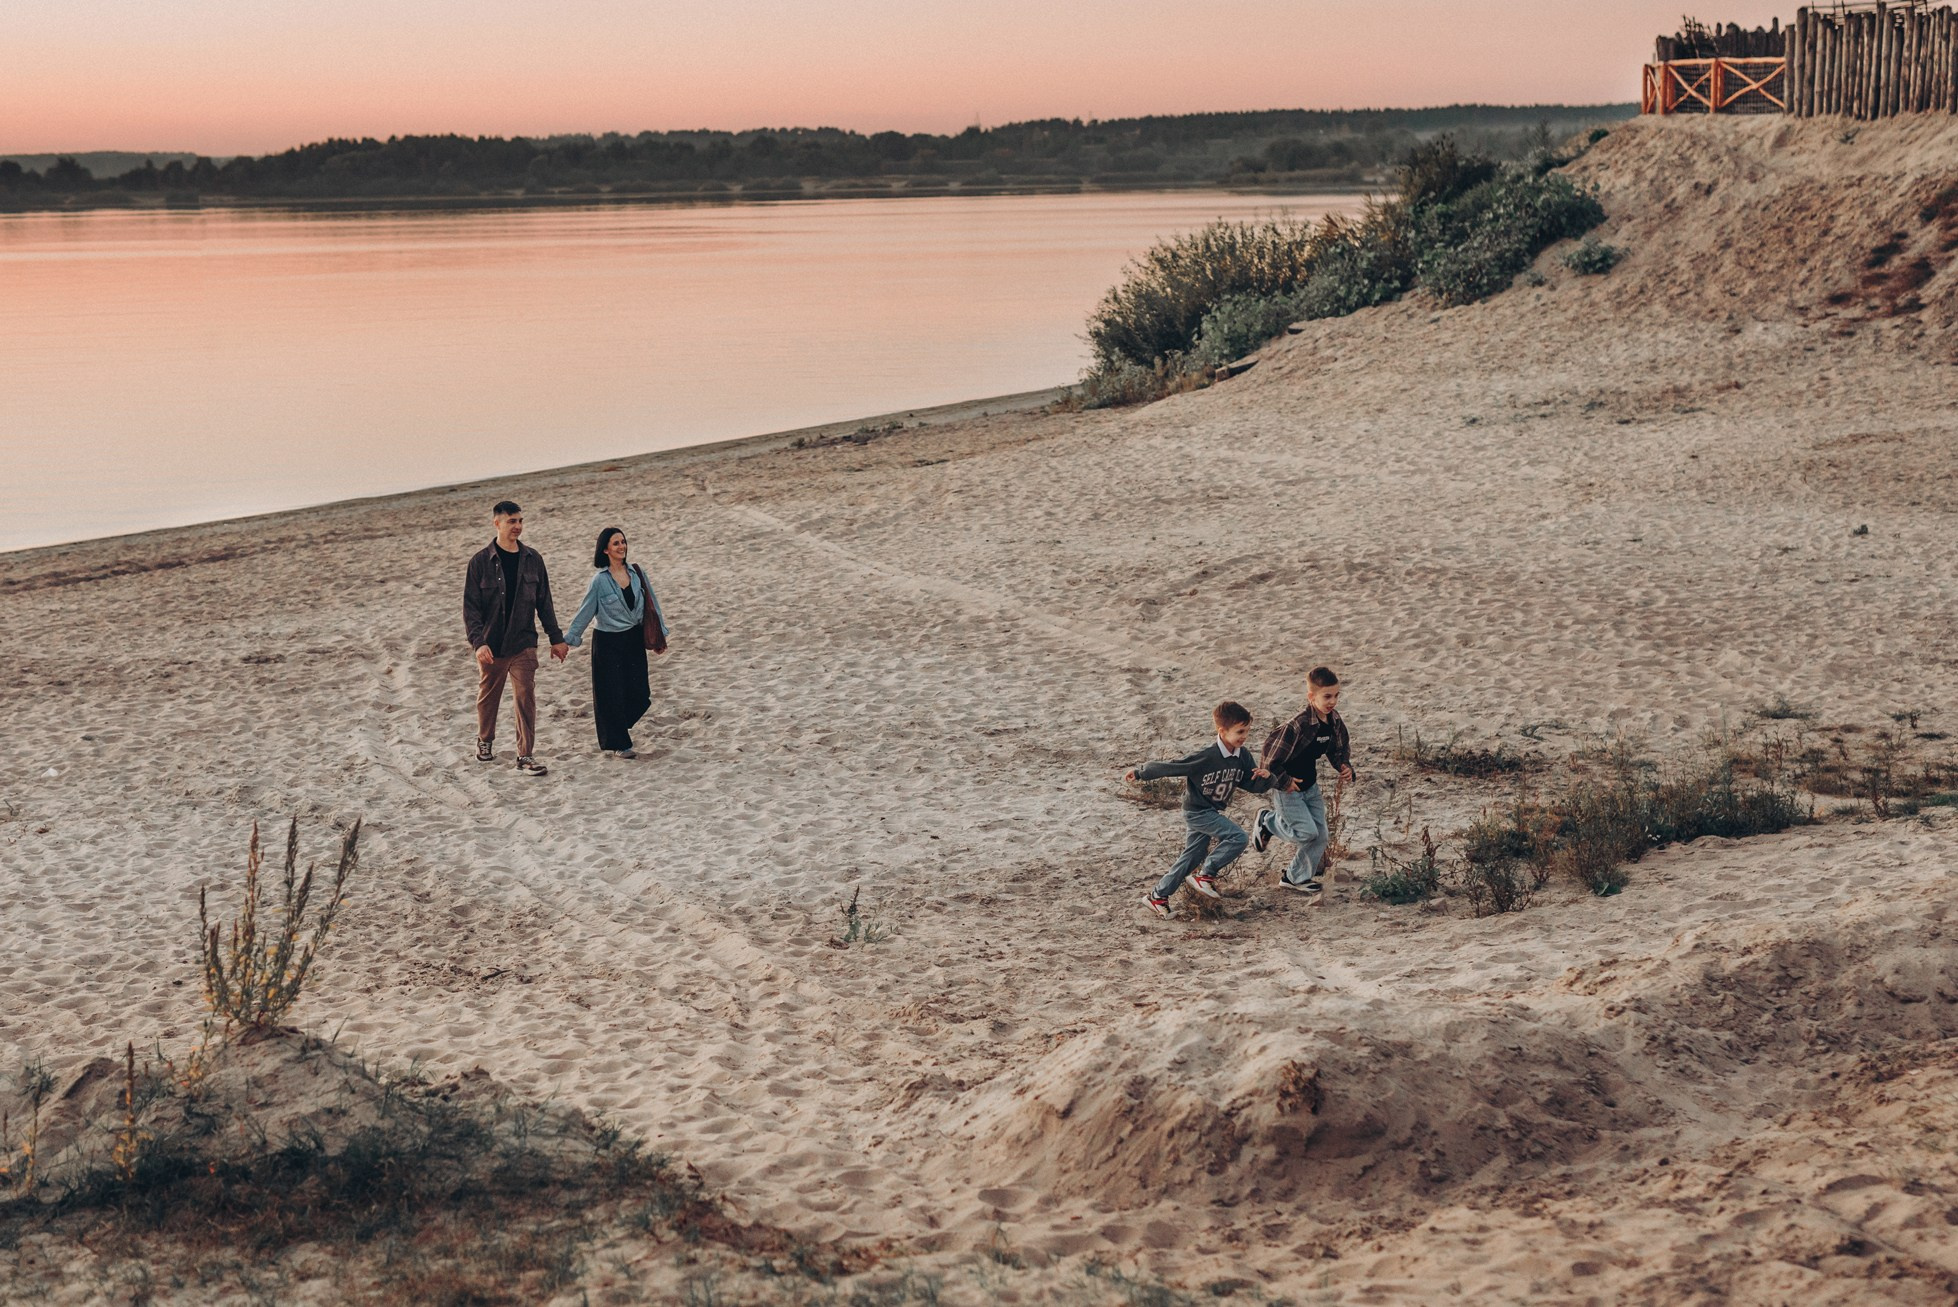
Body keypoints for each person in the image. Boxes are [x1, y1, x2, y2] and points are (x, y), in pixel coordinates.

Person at [1125, 701, 1274, 919]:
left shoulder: (1242, 755)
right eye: (1240, 731)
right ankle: (1206, 875)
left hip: (1212, 812)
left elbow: (1251, 784)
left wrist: (1268, 778)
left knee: (1193, 856)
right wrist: (1141, 772)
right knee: (1238, 837)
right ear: (1222, 731)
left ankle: (1157, 896)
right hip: (1197, 811)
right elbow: (1173, 767)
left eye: (1247, 731)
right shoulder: (1208, 756)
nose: (1244, 736)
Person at [462, 500, 568, 775]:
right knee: (488, 696)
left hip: (523, 643)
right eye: (512, 521)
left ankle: (525, 755)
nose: (518, 526)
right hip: (491, 645)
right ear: (497, 523)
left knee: (525, 696)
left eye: (520, 521)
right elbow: (470, 608)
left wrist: (556, 638)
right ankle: (485, 741)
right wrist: (478, 642)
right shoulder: (479, 563)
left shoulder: (533, 559)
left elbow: (544, 602)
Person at [565, 526, 669, 758]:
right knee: (610, 694)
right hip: (607, 642)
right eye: (615, 543)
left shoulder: (637, 573)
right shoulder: (599, 581)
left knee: (640, 694)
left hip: (633, 638)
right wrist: (568, 641)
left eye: (623, 542)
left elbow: (653, 605)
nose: (621, 546)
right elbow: (585, 612)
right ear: (605, 550)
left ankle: (617, 727)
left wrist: (660, 634)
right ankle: (620, 744)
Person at [1251, 666, 1356, 894]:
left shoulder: (1334, 721)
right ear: (1311, 696)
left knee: (1321, 836)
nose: (1332, 701)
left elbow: (1339, 748)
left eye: (1336, 695)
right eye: (1327, 696)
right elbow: (1268, 761)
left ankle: (1293, 877)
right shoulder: (1296, 726)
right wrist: (1284, 781)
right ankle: (1267, 821)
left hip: (1311, 787)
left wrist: (1344, 766)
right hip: (1287, 789)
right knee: (1307, 833)